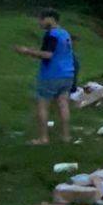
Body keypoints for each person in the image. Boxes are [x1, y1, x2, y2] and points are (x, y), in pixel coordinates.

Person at [13, 8, 76, 144]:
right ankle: (66, 136)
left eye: (41, 19)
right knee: (63, 104)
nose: (39, 22)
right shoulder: (64, 33)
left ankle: (43, 138)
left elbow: (48, 54)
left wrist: (27, 51)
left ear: (50, 19)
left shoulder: (51, 34)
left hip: (51, 75)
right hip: (68, 73)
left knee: (42, 105)